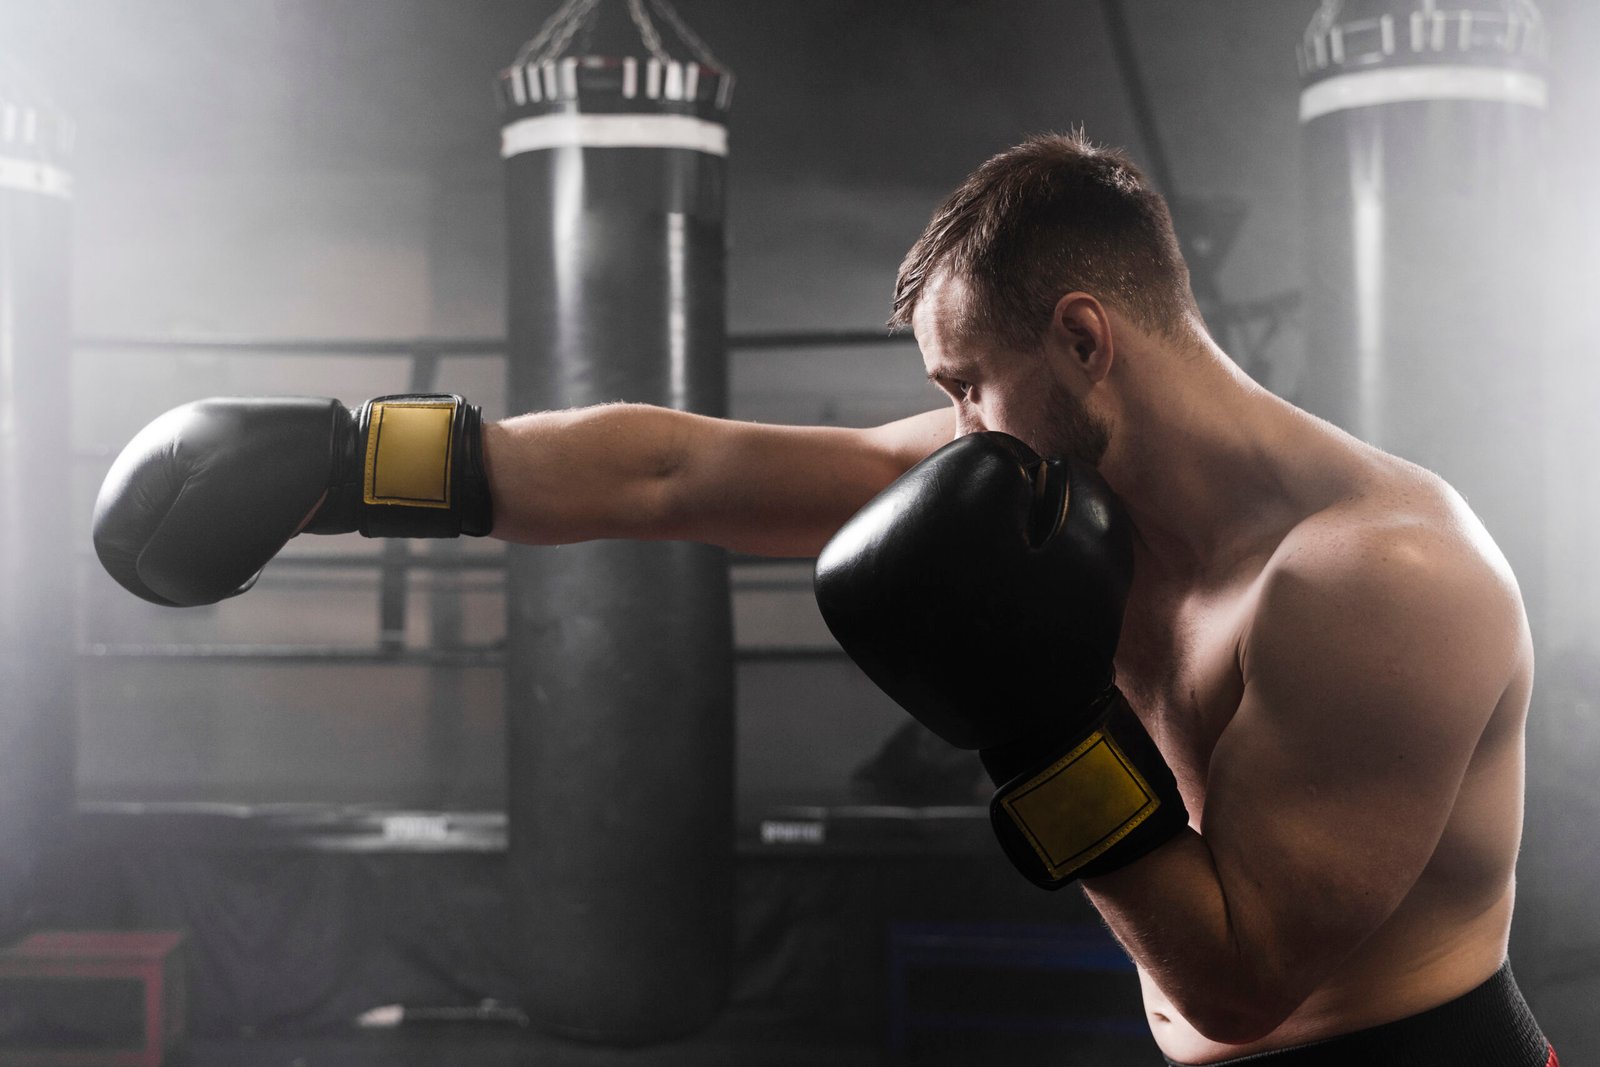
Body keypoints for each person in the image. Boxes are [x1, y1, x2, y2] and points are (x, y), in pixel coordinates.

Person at [92, 131, 1554, 1065]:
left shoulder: (1380, 578)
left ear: (1087, 336)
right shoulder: (1053, 480)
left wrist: (1038, 731)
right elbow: (674, 474)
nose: (953, 430)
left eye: (968, 384)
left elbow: (1248, 986)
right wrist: (350, 465)